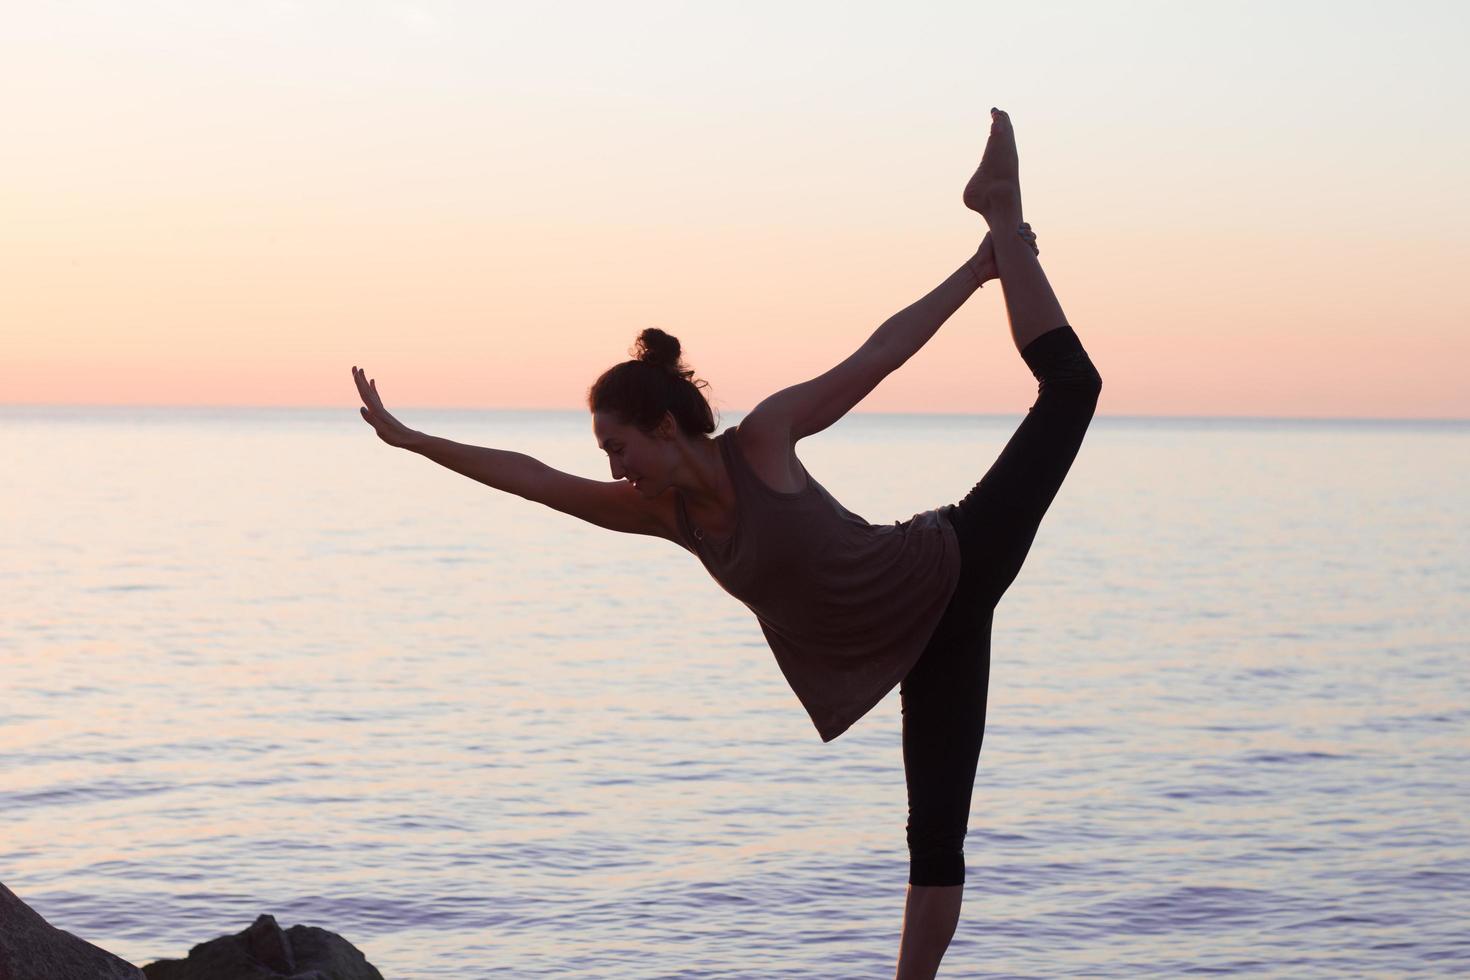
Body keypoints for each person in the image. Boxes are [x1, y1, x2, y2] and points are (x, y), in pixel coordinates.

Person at [352, 108, 1101, 980]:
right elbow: (532, 478)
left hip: (952, 561)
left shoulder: (764, 440)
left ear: (665, 428)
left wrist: (978, 272)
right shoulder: (664, 515)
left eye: (619, 448)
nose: (613, 469)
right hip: (927, 646)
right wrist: (414, 440)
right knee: (934, 841)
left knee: (1073, 387)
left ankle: (1000, 220)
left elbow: (881, 353)